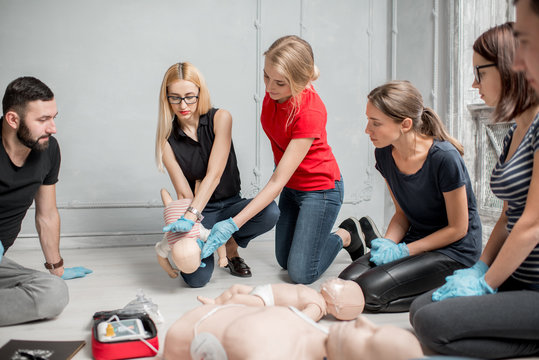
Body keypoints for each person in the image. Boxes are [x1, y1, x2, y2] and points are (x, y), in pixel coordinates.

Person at [410, 21, 539, 359]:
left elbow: (532, 223)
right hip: (516, 277)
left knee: (434, 326)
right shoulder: (514, 132)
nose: (474, 83)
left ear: (511, 66)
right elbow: (510, 213)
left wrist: (486, 285)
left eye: (480, 73)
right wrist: (481, 267)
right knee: (421, 309)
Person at [200, 35, 364, 285]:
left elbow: (277, 180)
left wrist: (232, 224)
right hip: (292, 186)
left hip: (320, 190)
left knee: (301, 274)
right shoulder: (276, 94)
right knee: (284, 262)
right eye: (266, 76)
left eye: (279, 82)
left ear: (299, 82)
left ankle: (346, 234)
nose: (268, 87)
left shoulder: (310, 112)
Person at [338, 80, 482, 313]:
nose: (367, 130)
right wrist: (388, 243)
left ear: (405, 124)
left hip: (453, 251)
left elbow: (458, 228)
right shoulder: (384, 154)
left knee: (368, 291)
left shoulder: (444, 158)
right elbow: (402, 213)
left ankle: (450, 291)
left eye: (375, 123)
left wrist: (404, 252)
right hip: (415, 241)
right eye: (368, 121)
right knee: (346, 282)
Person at [155, 62, 279, 287]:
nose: (183, 105)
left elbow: (215, 174)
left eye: (190, 96)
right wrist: (193, 228)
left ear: (200, 93)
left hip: (231, 204)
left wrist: (191, 214)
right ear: (166, 98)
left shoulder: (221, 118)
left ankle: (230, 245)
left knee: (270, 212)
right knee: (196, 279)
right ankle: (211, 241)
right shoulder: (166, 142)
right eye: (175, 97)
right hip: (202, 212)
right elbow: (184, 192)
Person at [0, 76, 91, 326]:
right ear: (13, 119)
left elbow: (47, 214)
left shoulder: (48, 149)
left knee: (54, 291)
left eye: (53, 117)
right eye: (42, 120)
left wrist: (57, 267)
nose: (52, 128)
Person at [163, 304, 423, 360]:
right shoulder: (323, 336)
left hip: (183, 339)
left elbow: (242, 339)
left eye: (371, 338)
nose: (364, 323)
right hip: (209, 315)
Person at [196, 277, 365, 321]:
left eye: (340, 285)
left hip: (268, 301)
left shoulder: (317, 307)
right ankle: (216, 302)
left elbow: (300, 320)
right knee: (235, 288)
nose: (336, 280)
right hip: (266, 290)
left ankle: (216, 313)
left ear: (339, 304)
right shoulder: (317, 295)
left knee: (238, 298)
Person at [155, 188, 226, 277]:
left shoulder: (198, 233)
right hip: (171, 209)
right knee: (168, 203)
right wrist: (169, 270)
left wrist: (223, 256)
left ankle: (196, 184)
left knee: (197, 198)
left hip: (190, 207)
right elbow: (161, 256)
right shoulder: (168, 241)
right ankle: (164, 192)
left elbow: (218, 238)